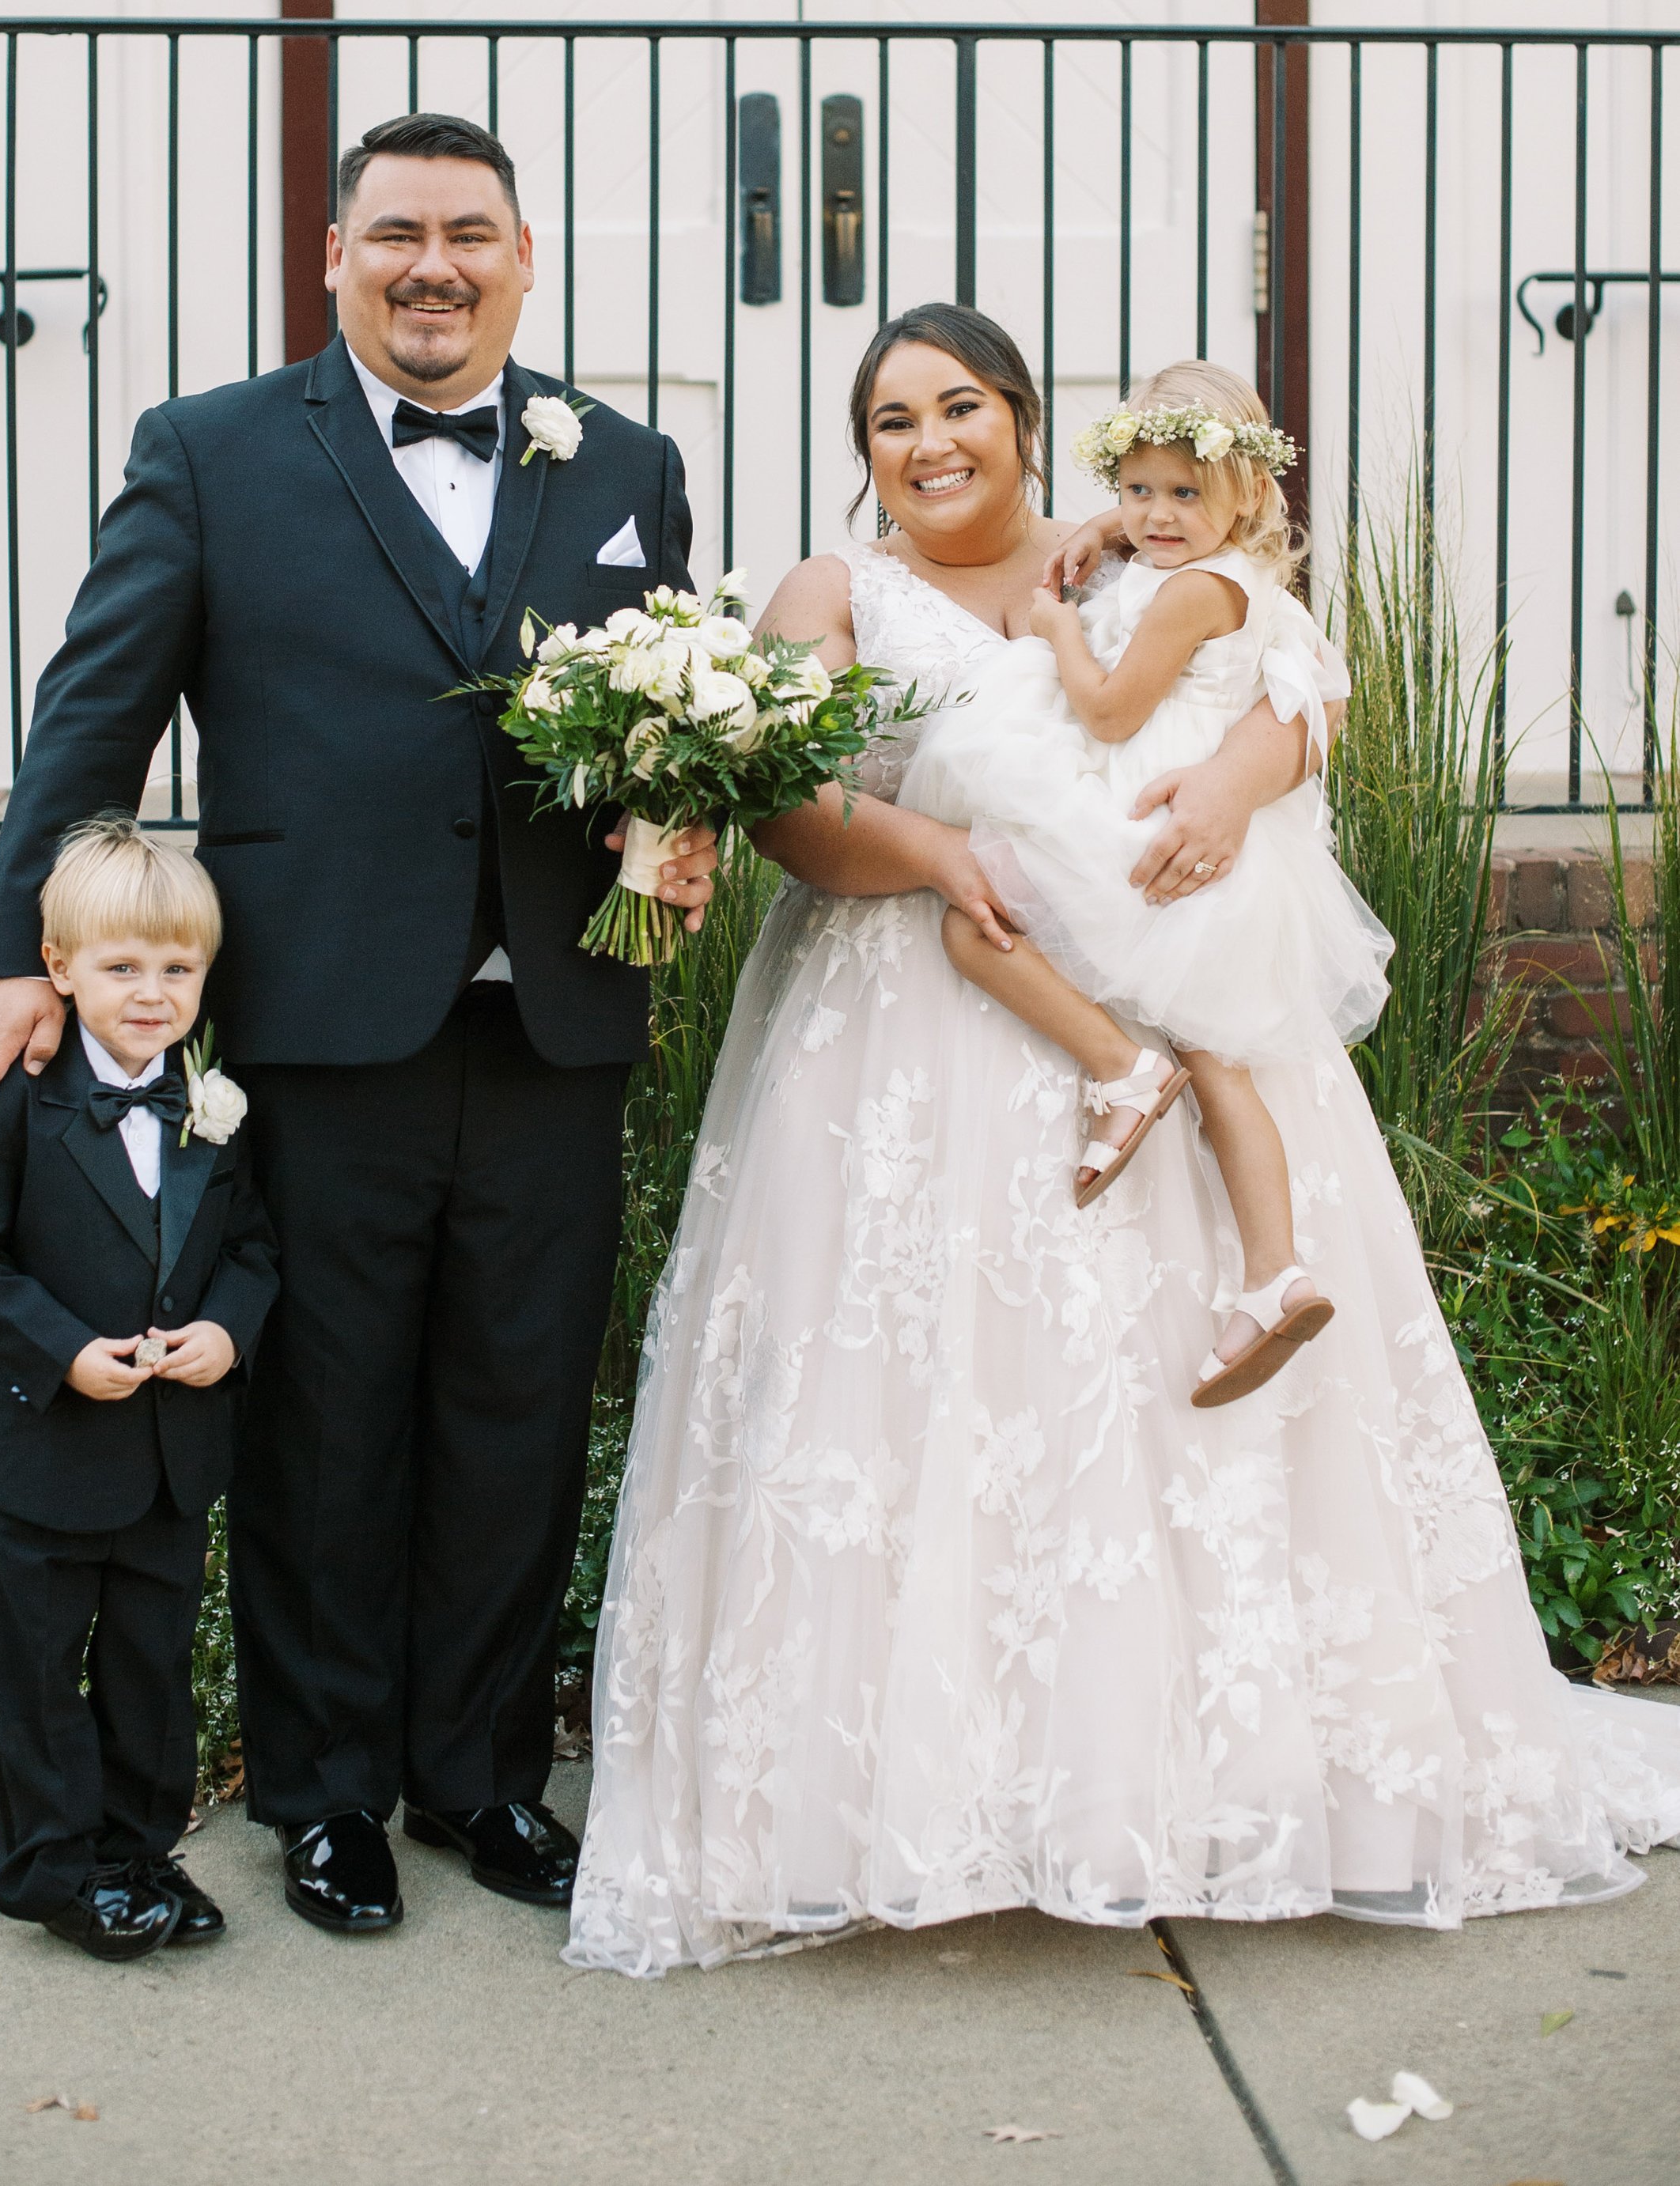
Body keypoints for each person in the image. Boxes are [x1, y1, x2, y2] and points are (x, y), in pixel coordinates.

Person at [564, 300, 1680, 1978]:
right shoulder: (824, 592)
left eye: (960, 407)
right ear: (860, 449)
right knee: (922, 1389)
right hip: (896, 1024)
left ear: (1023, 419)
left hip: (1155, 977)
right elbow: (784, 809)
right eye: (889, 420)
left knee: (1152, 1383)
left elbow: (1286, 663)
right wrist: (939, 862)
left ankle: (1198, 1784)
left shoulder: (1123, 551)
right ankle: (927, 1798)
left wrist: (1239, 778)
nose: (928, 442)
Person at [0, 110, 719, 1938]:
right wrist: (11, 954)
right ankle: (322, 1795)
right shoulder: (211, 452)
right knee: (322, 1418)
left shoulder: (625, 460)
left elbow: (675, 714)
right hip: (315, 1023)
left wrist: (676, 814)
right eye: (396, 235)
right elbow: (94, 718)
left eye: (469, 234)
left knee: (516, 1415)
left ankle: (476, 1779)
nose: (431, 266)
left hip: (553, 1017)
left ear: (524, 258)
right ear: (333, 256)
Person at [929, 359, 1394, 1407]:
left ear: (1246, 492)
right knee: (1221, 1061)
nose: (1155, 512)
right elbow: (1171, 519)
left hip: (1142, 822)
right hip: (1207, 851)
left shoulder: (1189, 593)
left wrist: (1053, 631)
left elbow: (1106, 712)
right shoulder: (1235, 579)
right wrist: (1118, 525)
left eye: (1183, 493)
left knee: (977, 915)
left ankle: (1120, 1070)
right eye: (1137, 488)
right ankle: (1274, 1272)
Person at [0, 819, 277, 1959]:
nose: (151, 993)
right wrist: (63, 1349)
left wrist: (228, 1329)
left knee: (150, 1674)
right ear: (61, 967)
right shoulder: (19, 1101)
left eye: (177, 970)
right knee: (39, 1678)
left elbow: (252, 1250)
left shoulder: (209, 1103)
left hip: (169, 1465)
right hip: (49, 1461)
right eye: (122, 967)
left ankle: (138, 1854)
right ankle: (52, 1873)